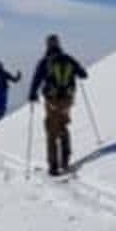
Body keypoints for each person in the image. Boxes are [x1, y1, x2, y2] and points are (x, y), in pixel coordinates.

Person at [28, 35, 87, 176]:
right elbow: (83, 74)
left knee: (51, 130)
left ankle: (53, 165)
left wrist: (32, 94)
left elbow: (36, 79)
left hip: (51, 101)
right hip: (67, 100)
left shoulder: (45, 61)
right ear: (59, 44)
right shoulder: (68, 59)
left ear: (47, 45)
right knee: (63, 126)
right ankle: (65, 160)